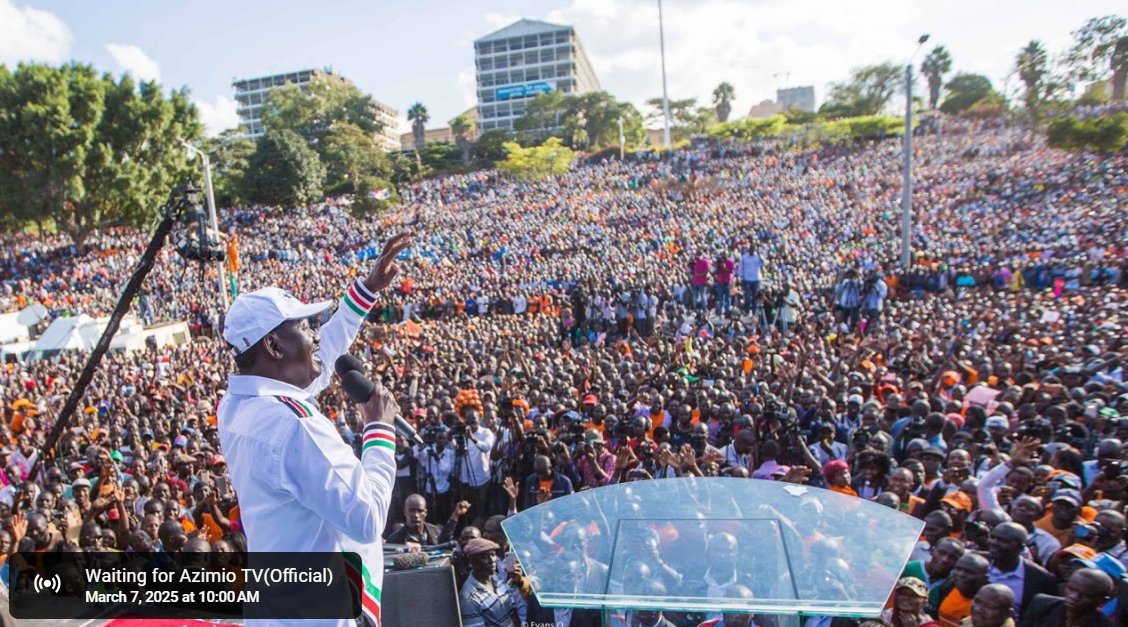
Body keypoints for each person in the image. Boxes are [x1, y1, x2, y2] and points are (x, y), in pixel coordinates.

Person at [217, 231, 410, 627]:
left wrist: (365, 292)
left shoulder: (237, 406)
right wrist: (378, 429)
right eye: (306, 328)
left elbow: (319, 360)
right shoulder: (295, 427)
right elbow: (367, 518)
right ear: (274, 347)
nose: (316, 336)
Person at [986, 523, 1058, 620]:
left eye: (1004, 541)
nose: (994, 543)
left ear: (1021, 548)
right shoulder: (974, 563)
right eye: (992, 537)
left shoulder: (1042, 579)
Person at [1018, 567, 1115, 627]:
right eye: (1071, 589)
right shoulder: (1041, 605)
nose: (1074, 597)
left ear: (1102, 600)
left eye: (1085, 595)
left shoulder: (1104, 625)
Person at [459, 537, 524, 627]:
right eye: (484, 557)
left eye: (493, 555)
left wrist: (517, 582)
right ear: (472, 562)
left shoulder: (497, 578)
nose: (492, 560)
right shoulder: (469, 599)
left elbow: (513, 611)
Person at [385, 493, 466, 546]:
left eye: (420, 511)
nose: (416, 515)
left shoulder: (435, 532)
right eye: (412, 510)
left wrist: (456, 515)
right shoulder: (394, 540)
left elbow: (445, 541)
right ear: (404, 512)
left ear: (425, 513)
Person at [935, 552, 989, 627]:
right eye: (958, 569)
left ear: (984, 578)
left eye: (969, 572)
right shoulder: (947, 587)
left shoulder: (989, 603)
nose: (961, 574)